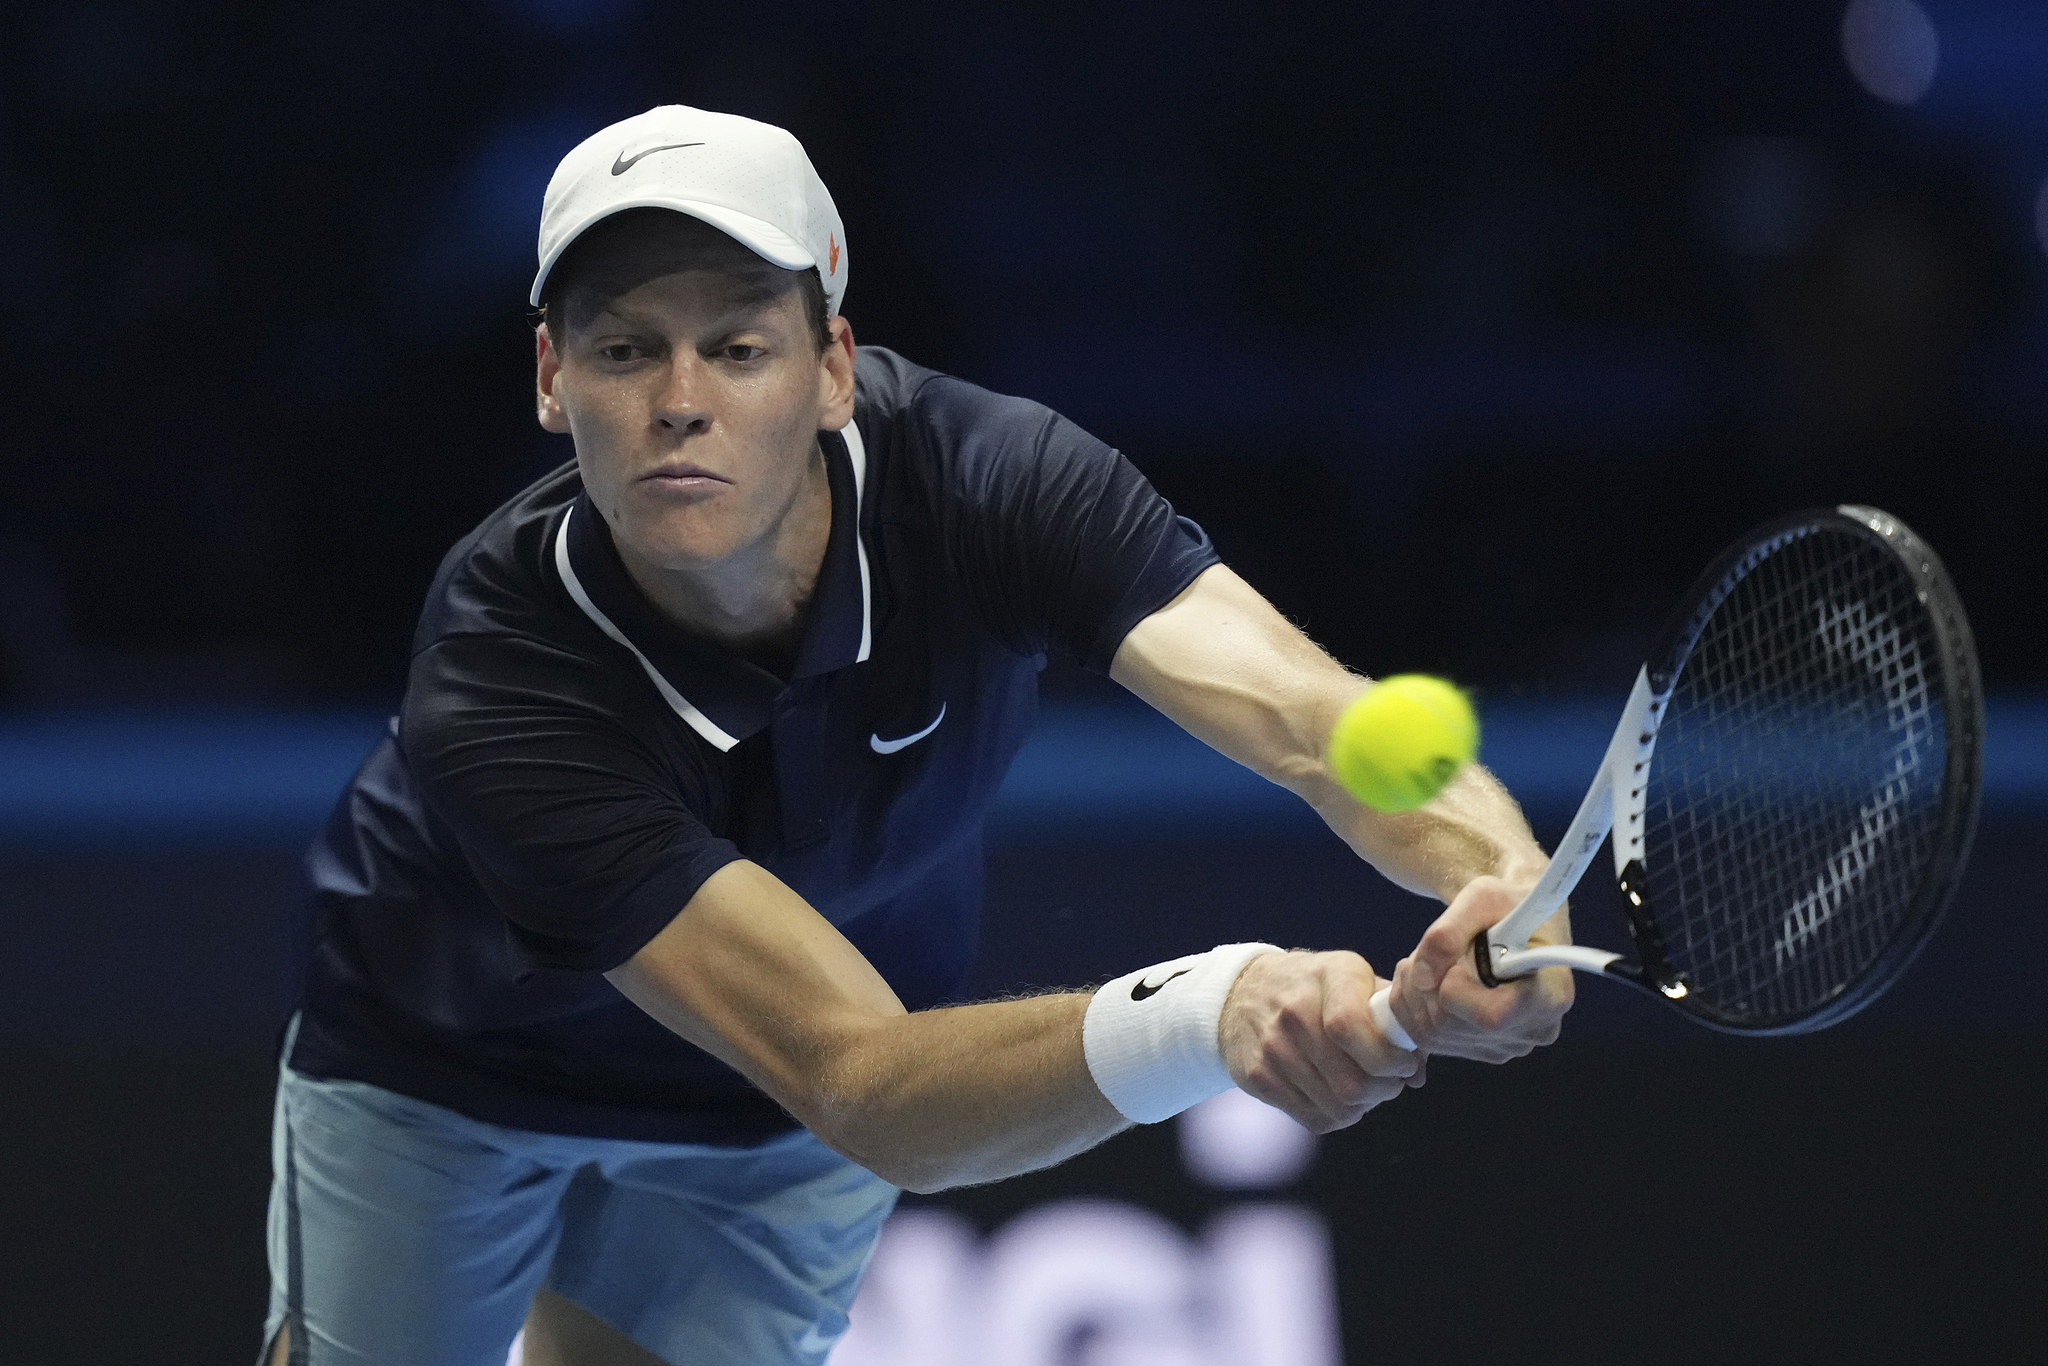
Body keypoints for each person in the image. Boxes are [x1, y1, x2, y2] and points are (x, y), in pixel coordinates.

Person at [261, 104, 1574, 1366]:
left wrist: (1501, 887)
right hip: (446, 1074)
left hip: (765, 1133)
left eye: (738, 346)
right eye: (623, 349)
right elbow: (859, 1077)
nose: (678, 399)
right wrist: (1217, 1009)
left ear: (833, 368)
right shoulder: (503, 669)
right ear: (554, 379)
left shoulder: (994, 482)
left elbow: (1313, 720)